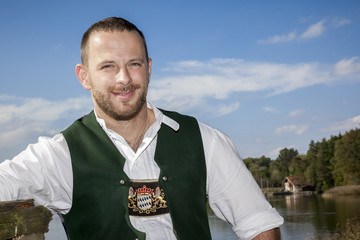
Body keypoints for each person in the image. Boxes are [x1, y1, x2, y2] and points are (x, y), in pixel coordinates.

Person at [0, 17, 283, 240]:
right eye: (108, 66)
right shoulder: (59, 155)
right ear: (84, 77)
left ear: (148, 68)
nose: (124, 79)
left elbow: (257, 222)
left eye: (134, 64)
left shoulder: (203, 140)